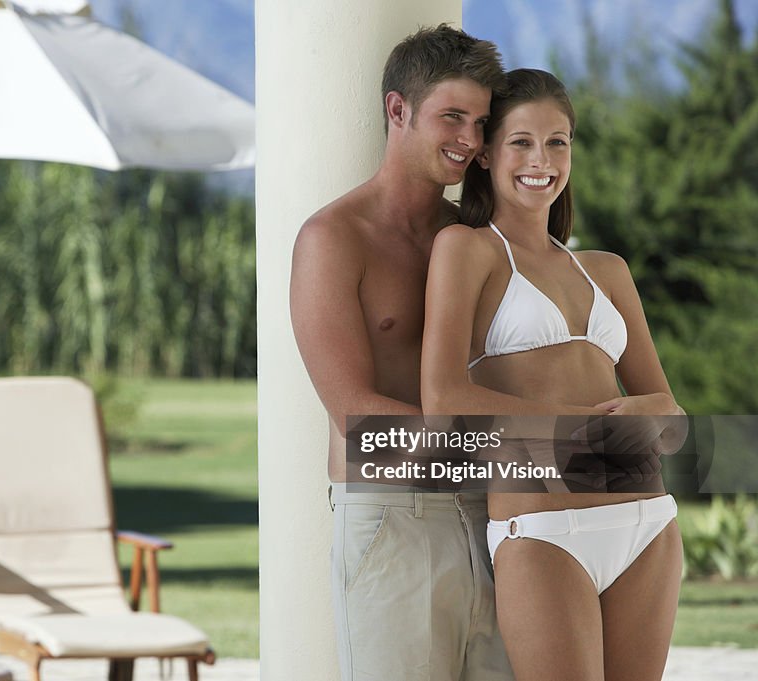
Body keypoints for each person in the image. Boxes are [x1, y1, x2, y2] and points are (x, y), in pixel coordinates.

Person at [420, 69, 684, 681]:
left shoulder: (607, 270)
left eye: (558, 141)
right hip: (542, 529)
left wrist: (659, 414)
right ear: (485, 155)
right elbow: (442, 399)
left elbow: (667, 409)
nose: (541, 159)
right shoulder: (467, 250)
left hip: (646, 522)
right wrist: (576, 430)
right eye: (521, 142)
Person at [290, 24, 513, 681]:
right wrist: (530, 447)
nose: (471, 141)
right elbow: (359, 425)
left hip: (495, 511)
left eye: (480, 122)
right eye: (452, 117)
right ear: (398, 110)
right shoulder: (332, 239)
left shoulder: (473, 238)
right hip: (394, 515)